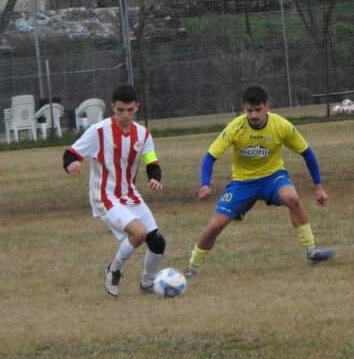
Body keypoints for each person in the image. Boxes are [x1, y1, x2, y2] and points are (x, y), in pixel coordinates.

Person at [185, 85, 334, 278]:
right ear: (244, 108)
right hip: (242, 183)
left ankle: (312, 251)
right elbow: (210, 157)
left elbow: (306, 152)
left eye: (258, 110)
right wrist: (205, 184)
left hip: (273, 178)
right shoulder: (236, 127)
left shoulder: (281, 126)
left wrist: (319, 188)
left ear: (267, 107)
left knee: (293, 198)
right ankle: (192, 268)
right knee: (215, 225)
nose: (253, 115)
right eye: (249, 110)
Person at [62, 84, 167, 297]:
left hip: (129, 194)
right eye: (120, 110)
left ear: (137, 107)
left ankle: (147, 283)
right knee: (138, 233)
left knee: (157, 242)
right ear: (113, 108)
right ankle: (114, 269)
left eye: (129, 110)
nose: (125, 115)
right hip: (105, 196)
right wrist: (70, 164)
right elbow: (70, 153)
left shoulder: (143, 134)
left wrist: (155, 178)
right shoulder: (99, 132)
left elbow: (151, 162)